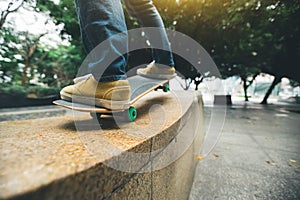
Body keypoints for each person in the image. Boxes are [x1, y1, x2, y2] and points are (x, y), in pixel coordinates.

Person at [60, 0, 176, 110]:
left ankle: (108, 79)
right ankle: (164, 64)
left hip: (109, 76)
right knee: (142, 5)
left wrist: (109, 74)